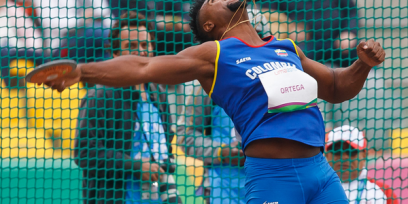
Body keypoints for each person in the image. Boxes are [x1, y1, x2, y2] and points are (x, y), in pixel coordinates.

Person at [44, 0, 386, 203]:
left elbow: (338, 87)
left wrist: (362, 65)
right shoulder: (215, 53)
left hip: (321, 172)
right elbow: (144, 65)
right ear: (210, 23)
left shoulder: (285, 48)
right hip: (272, 176)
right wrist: (82, 71)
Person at [74, 12, 181, 204]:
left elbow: (166, 147)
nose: (140, 52)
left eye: (144, 45)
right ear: (115, 54)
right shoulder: (99, 96)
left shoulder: (159, 93)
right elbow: (84, 153)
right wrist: (137, 167)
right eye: (130, 46)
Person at [176, 9, 270, 204]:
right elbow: (185, 134)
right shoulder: (208, 80)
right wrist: (223, 152)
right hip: (225, 188)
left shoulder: (280, 74)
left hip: (272, 182)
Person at [262, 0, 359, 67]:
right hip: (305, 44)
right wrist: (290, 27)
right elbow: (270, 14)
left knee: (362, 56)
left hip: (338, 41)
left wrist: (349, 32)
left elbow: (351, 11)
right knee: (293, 60)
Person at [326, 125, 399, 204]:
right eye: (337, 151)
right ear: (326, 155)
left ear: (364, 155)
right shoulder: (314, 190)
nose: (344, 157)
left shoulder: (383, 192)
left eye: (351, 151)